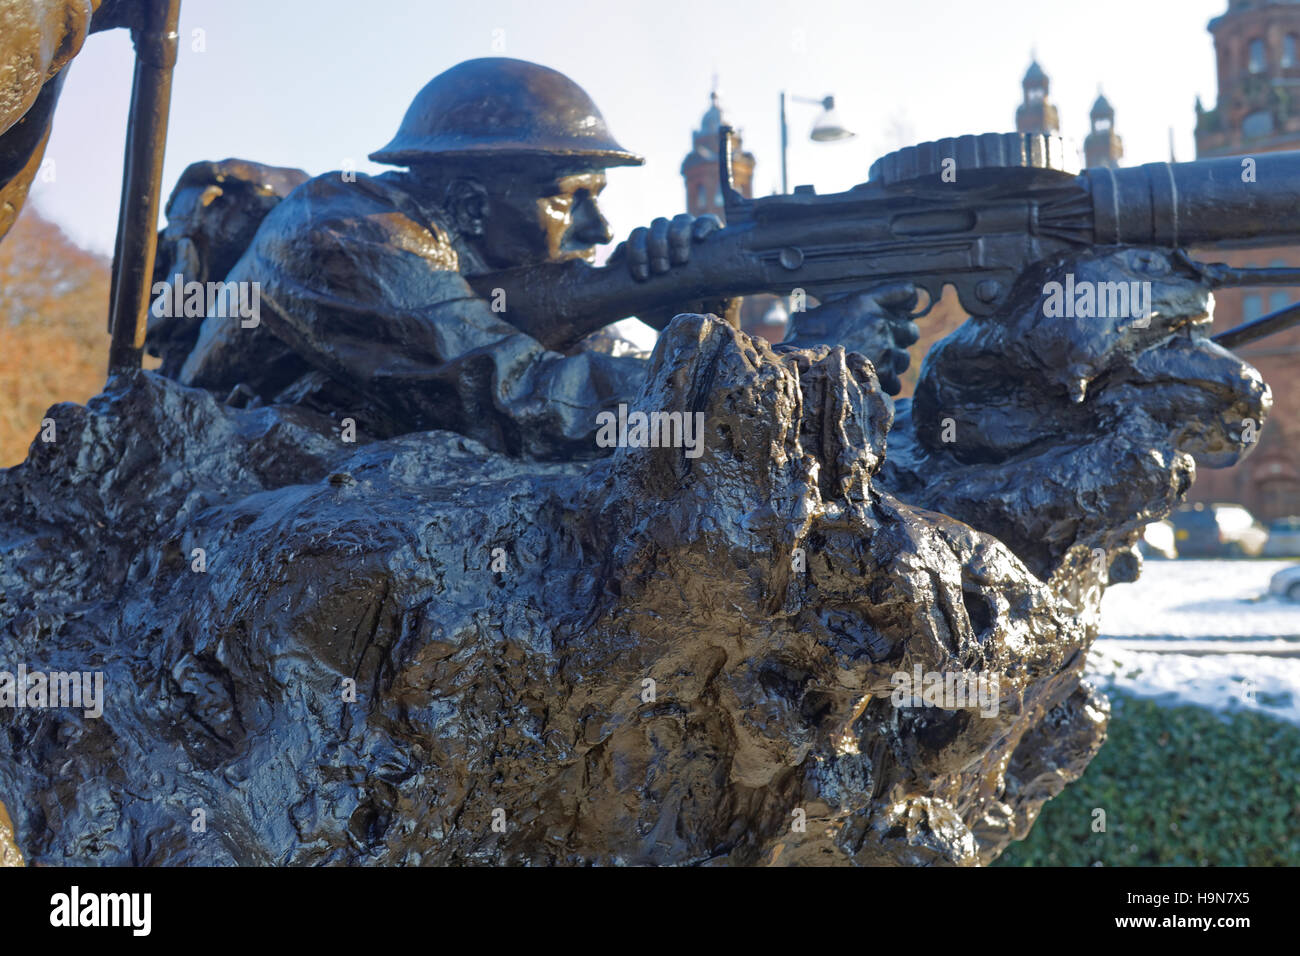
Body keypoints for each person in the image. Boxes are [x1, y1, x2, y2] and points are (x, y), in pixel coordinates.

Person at [178, 58, 916, 458]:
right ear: (469, 205)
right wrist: (799, 374)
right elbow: (515, 400)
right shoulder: (339, 233)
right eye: (573, 197)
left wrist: (697, 317)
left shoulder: (497, 276)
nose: (600, 227)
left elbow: (610, 404)